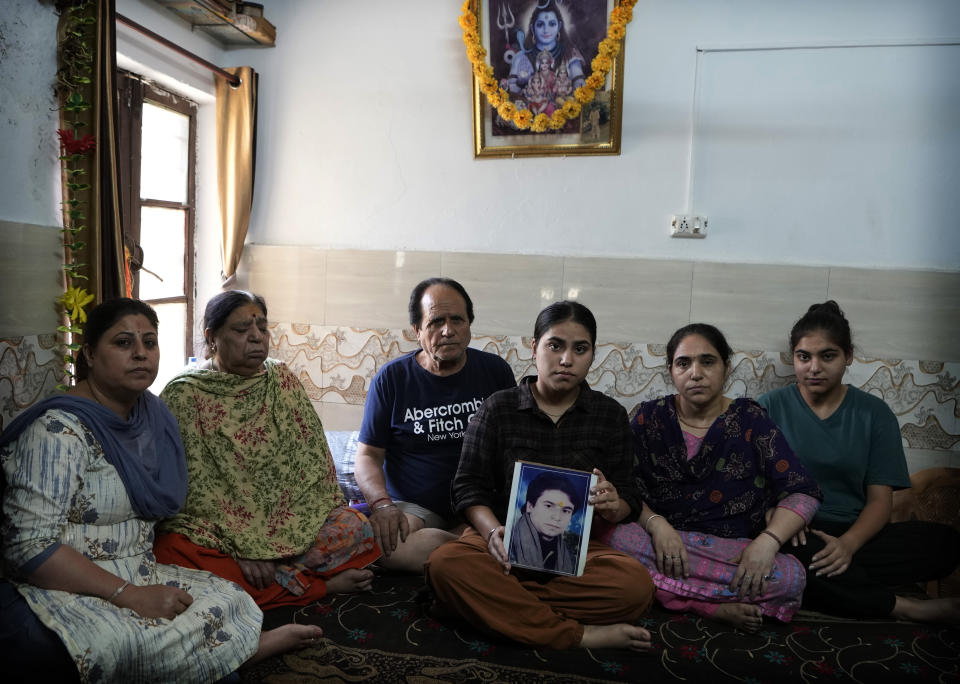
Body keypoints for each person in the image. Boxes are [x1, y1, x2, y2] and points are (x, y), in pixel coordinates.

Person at [0, 298, 320, 682]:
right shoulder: (57, 432)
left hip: (138, 567)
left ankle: (225, 655)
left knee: (230, 600)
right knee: (111, 642)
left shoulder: (153, 417)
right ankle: (235, 655)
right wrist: (130, 595)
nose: (140, 354)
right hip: (69, 583)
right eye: (123, 343)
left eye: (149, 343)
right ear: (88, 353)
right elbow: (29, 547)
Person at [426, 301, 655, 651]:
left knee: (635, 587)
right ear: (533, 348)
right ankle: (577, 635)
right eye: (555, 345)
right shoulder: (498, 407)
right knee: (445, 564)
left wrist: (614, 504)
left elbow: (628, 495)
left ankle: (491, 605)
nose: (566, 359)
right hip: (499, 547)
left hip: (575, 555)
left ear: (593, 355)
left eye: (580, 349)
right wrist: (491, 532)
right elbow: (466, 486)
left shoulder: (609, 415)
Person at [154, 291, 380, 609]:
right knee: (171, 548)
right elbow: (193, 490)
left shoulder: (281, 379)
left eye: (262, 327)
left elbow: (313, 466)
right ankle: (315, 586)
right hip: (222, 534)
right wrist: (243, 545)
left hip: (289, 526)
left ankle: (282, 575)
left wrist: (271, 542)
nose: (257, 338)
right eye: (242, 329)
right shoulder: (185, 394)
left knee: (356, 527)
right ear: (212, 337)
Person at [601, 323, 822, 632]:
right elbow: (624, 487)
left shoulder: (750, 420)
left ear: (726, 367)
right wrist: (657, 524)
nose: (695, 373)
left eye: (707, 361)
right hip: (658, 542)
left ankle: (667, 591)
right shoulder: (649, 418)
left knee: (791, 578)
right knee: (607, 535)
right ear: (671, 370)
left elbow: (802, 491)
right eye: (683, 363)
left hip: (732, 550)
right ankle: (703, 603)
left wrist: (767, 543)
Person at [759, 301, 960, 623]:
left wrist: (847, 546)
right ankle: (902, 606)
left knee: (945, 544)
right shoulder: (769, 407)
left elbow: (880, 500)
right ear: (793, 358)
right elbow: (751, 483)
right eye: (803, 357)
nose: (814, 368)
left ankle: (825, 581)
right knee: (781, 550)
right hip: (794, 530)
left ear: (848, 356)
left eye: (828, 356)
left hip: (857, 533)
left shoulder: (874, 414)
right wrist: (773, 515)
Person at [355, 277, 516, 572]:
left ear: (469, 324)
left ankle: (468, 545)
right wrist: (382, 505)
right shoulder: (392, 379)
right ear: (417, 330)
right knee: (385, 546)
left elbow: (513, 446)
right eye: (436, 321)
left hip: (480, 504)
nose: (448, 330)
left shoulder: (495, 372)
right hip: (417, 507)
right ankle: (473, 547)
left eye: (457, 319)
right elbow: (367, 456)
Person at [504, 0, 585, 95]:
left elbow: (580, 89)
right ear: (532, 28)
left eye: (552, 24)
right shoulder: (520, 58)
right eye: (540, 24)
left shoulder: (571, 56)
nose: (546, 30)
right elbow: (511, 91)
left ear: (559, 26)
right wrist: (520, 83)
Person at [508, 471, 583, 574]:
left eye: (566, 511)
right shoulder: (507, 543)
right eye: (548, 506)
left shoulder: (570, 558)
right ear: (530, 506)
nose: (557, 517)